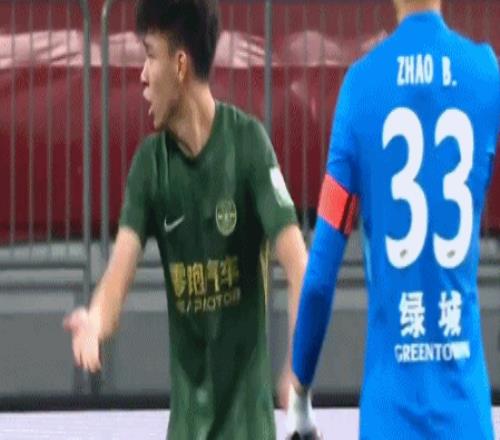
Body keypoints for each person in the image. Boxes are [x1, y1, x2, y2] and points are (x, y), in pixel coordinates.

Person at [63, 0, 308, 438]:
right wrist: (95, 321)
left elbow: (299, 266)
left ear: (180, 65)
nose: (141, 75)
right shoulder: (149, 167)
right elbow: (117, 276)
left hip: (249, 429)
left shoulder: (248, 144)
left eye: (150, 56)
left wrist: (297, 368)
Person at [287, 0, 500, 438]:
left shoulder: (361, 87)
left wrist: (301, 395)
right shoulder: (485, 73)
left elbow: (320, 278)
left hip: (390, 416)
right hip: (466, 415)